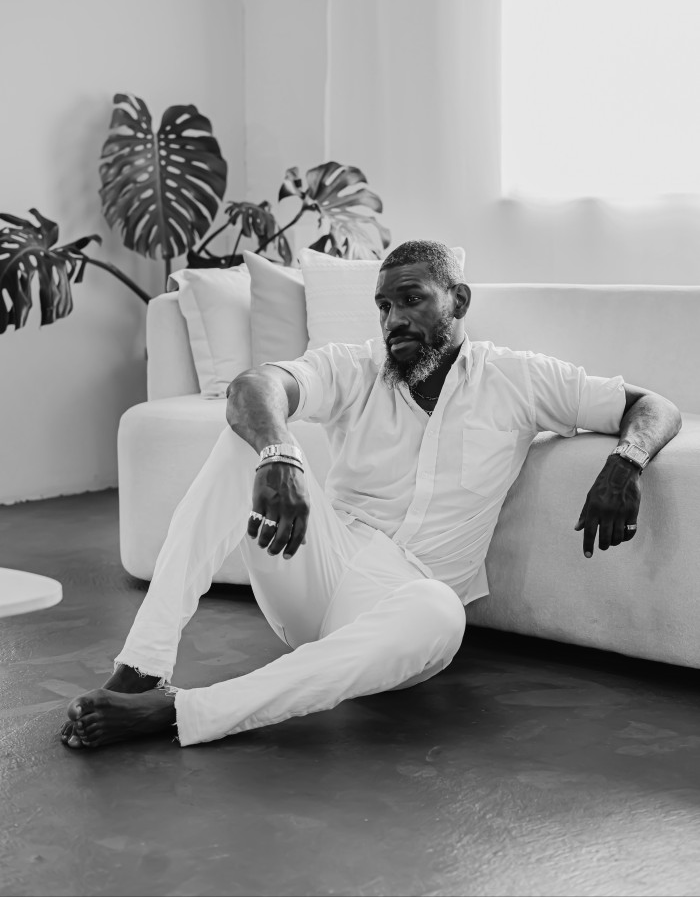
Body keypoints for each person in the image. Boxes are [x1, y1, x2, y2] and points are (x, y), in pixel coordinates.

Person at [60, 240, 682, 749]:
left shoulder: (518, 378)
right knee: (240, 442)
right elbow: (255, 386)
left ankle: (181, 714)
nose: (393, 321)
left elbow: (653, 405)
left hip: (404, 608)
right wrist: (279, 454)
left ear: (459, 301)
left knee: (441, 611)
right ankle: (141, 669)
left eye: (412, 300)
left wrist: (625, 462)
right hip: (319, 567)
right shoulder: (356, 367)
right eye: (384, 306)